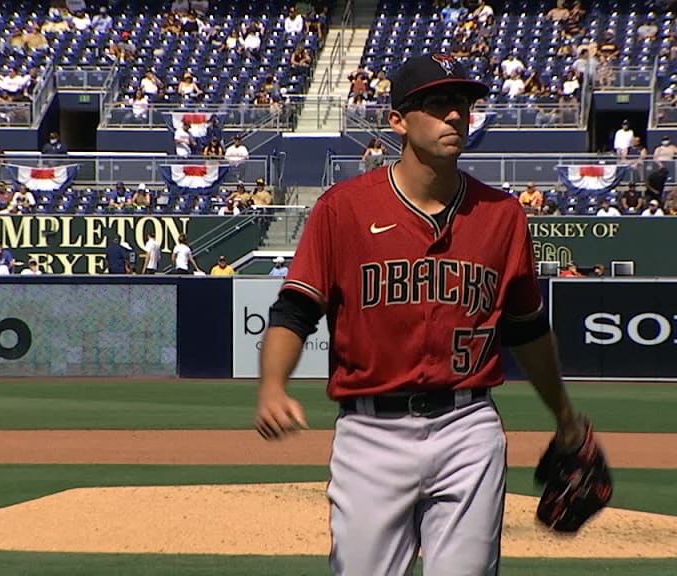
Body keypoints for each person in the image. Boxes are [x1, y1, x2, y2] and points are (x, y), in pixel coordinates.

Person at [254, 53, 600, 576]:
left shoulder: (501, 215)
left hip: (468, 425)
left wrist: (565, 417)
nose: (456, 115)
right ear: (398, 120)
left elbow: (527, 328)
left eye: (462, 103)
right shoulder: (343, 209)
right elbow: (296, 308)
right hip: (371, 433)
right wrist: (272, 387)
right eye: (439, 104)